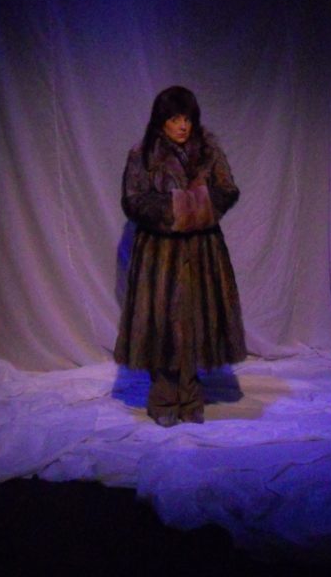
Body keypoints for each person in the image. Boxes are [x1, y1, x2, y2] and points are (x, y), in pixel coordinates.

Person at [114, 85, 246, 427]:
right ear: (162, 121)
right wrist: (179, 209)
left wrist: (194, 210)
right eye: (175, 118)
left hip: (202, 251)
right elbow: (133, 201)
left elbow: (227, 190)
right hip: (160, 254)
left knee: (194, 320)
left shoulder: (208, 150)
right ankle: (163, 396)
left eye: (187, 118)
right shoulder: (144, 154)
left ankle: (190, 395)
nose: (183, 125)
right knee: (161, 322)